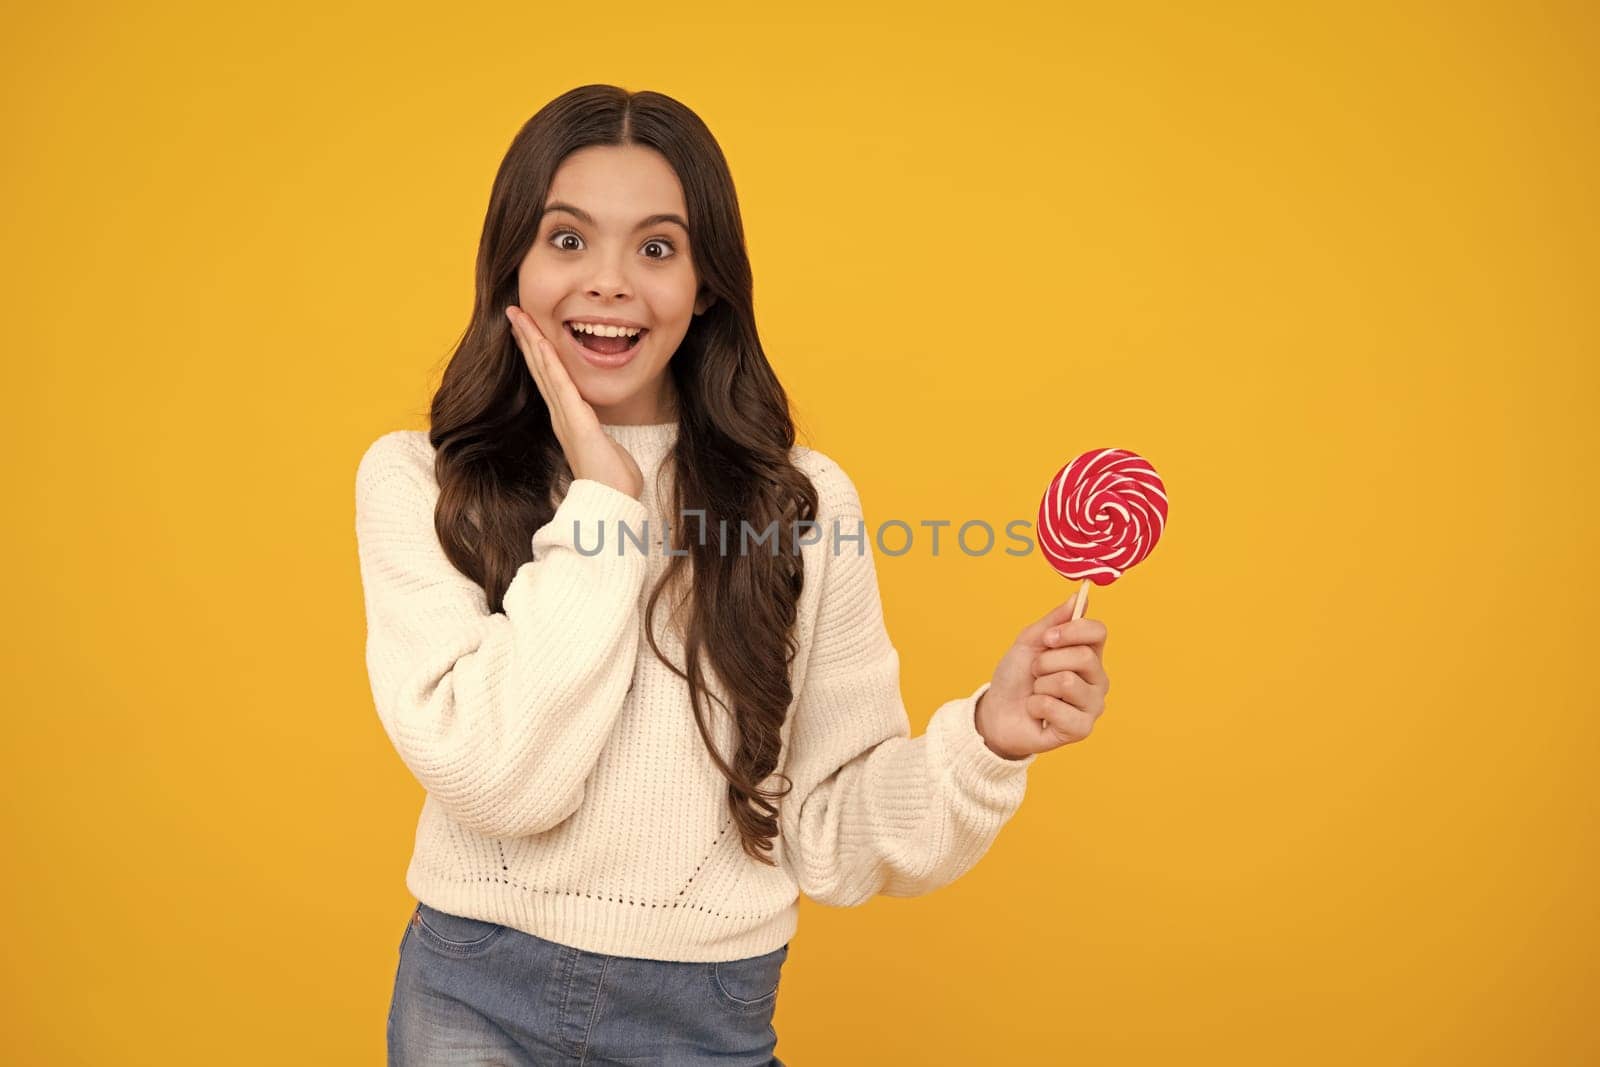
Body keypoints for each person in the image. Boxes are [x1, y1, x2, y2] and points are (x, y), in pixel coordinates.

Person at [354, 84, 1112, 1066]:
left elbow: (830, 831)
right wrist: (605, 496)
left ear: (706, 282)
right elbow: (498, 782)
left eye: (657, 247)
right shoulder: (420, 479)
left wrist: (987, 740)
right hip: (471, 993)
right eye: (569, 239)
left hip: (702, 1014)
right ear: (512, 261)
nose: (612, 282)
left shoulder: (797, 502)